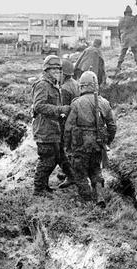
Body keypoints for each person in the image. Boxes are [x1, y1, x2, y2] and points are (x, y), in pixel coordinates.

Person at [64, 71, 116, 205]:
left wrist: (67, 146)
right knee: (95, 169)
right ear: (95, 86)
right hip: (98, 143)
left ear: (81, 86)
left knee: (79, 172)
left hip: (80, 143)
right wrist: (107, 141)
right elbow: (112, 126)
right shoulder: (104, 102)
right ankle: (99, 196)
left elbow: (68, 128)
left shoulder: (76, 103)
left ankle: (87, 201)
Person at [31, 55, 71, 196]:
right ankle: (39, 189)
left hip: (53, 127)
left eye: (58, 69)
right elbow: (39, 106)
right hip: (44, 129)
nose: (56, 71)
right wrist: (60, 110)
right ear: (46, 70)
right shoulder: (42, 85)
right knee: (47, 159)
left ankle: (45, 186)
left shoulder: (54, 85)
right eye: (52, 69)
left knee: (58, 156)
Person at [56, 60, 80, 189]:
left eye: (59, 72)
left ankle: (71, 176)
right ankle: (69, 173)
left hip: (68, 122)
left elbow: (64, 109)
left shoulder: (65, 88)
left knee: (65, 149)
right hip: (77, 121)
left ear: (63, 74)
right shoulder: (76, 83)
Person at [117, 1, 137, 70]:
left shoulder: (121, 20)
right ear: (131, 12)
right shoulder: (133, 18)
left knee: (123, 52)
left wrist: (120, 39)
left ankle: (119, 65)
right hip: (132, 38)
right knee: (135, 51)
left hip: (124, 38)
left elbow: (119, 31)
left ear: (125, 13)